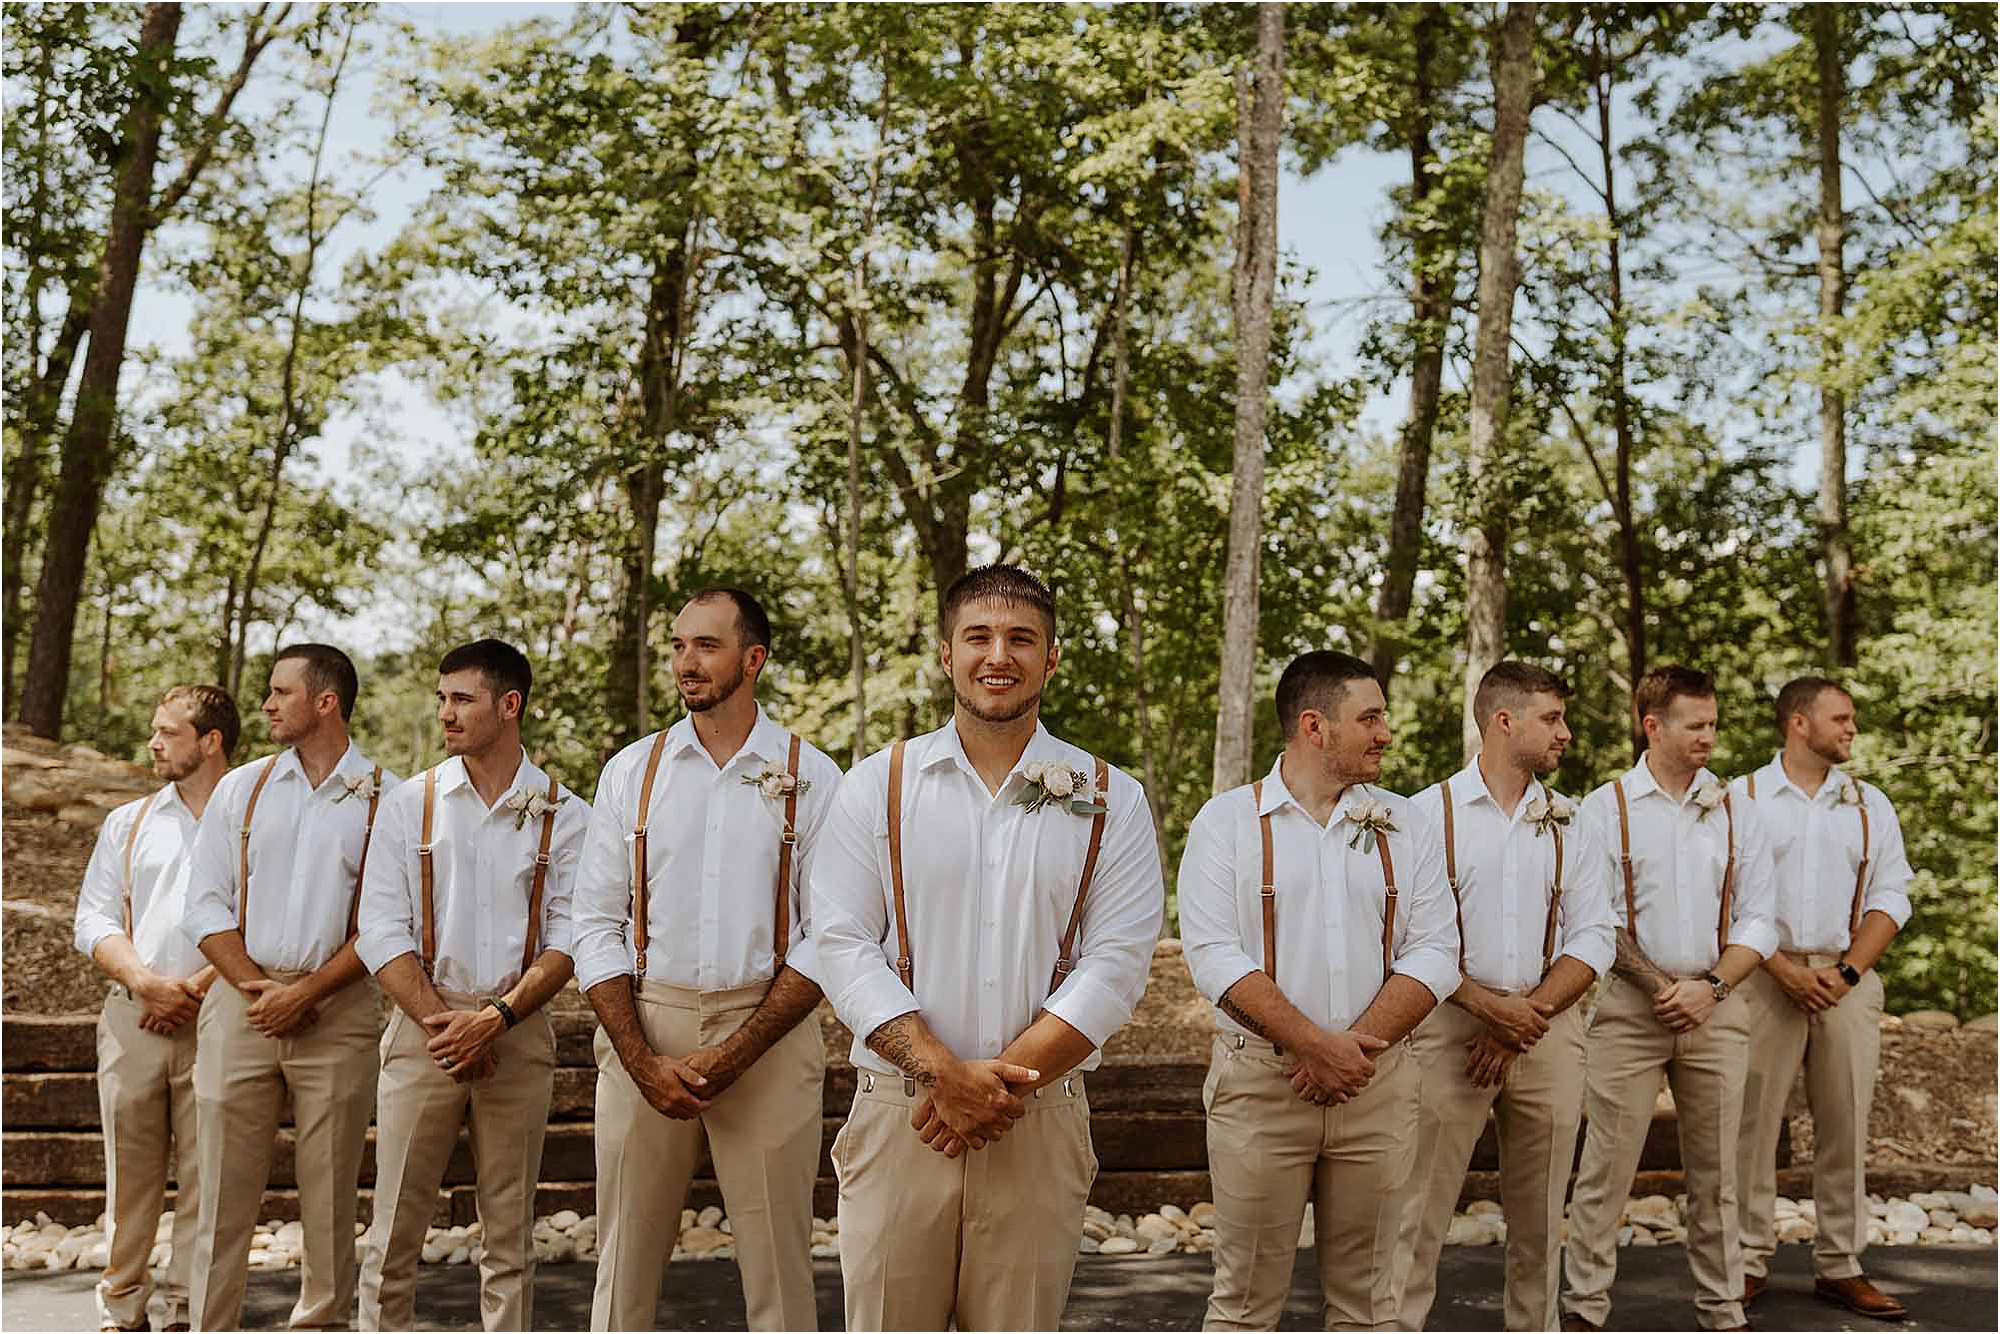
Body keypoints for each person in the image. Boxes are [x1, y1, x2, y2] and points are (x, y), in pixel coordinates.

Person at [812, 564, 1164, 1330]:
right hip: (901, 1118)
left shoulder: (1111, 798)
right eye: (978, 636)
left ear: (1051, 658)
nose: (997, 655)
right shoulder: (877, 786)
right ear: (946, 654)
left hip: (1038, 1124)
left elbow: (1117, 962)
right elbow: (840, 944)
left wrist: (995, 1091)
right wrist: (942, 1074)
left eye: (1021, 639)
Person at [572, 589, 843, 1331]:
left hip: (772, 1029)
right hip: (647, 1022)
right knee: (623, 1262)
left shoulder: (815, 776)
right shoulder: (633, 771)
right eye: (680, 646)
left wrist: (739, 1049)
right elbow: (593, 922)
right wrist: (636, 1054)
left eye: (707, 646)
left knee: (780, 1270)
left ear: (753, 659)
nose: (686, 663)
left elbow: (831, 933)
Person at [1178, 649, 1458, 1332]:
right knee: (1244, 1304)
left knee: (1370, 1305)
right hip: (1261, 1088)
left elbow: (1438, 948)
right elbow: (1213, 954)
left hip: (1379, 1085)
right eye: (1370, 718)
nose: (1386, 733)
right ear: (1315, 726)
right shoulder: (1225, 823)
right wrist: (1311, 1046)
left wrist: (1355, 1051)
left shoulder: (1407, 821)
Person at [355, 639, 589, 1330]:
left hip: (517, 1031)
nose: (445, 713)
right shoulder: (410, 803)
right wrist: (443, 1024)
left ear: (508, 704)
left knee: (510, 1232)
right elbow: (380, 928)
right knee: (393, 1227)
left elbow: (570, 935)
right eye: (441, 699)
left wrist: (496, 1019)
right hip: (421, 1030)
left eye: (461, 699)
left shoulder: (564, 812)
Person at [181, 644, 397, 1330]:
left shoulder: (389, 799)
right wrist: (255, 988)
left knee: (331, 1192)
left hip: (339, 1009)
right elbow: (204, 907)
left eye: (280, 692)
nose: (267, 705)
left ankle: (323, 1323)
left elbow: (392, 921)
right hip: (239, 1005)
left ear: (325, 701)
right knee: (218, 1190)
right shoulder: (240, 790)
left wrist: (306, 995)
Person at [1395, 663, 1616, 1331]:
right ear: (1503, 720)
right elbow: (1402, 936)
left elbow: (1595, 936)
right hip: (1444, 1032)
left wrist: (1526, 1017)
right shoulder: (1422, 816)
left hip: (1545, 1034)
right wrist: (1489, 1013)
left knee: (1542, 1220)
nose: (1567, 733)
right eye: (1552, 718)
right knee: (1417, 1210)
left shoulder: (1572, 821)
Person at [1560, 664, 1776, 1333]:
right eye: (1696, 724)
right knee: (1605, 1168)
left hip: (1718, 1005)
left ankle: (1721, 1309)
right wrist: (1662, 988)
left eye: (1714, 723)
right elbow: (1594, 918)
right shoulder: (1603, 808)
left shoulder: (1740, 809)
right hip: (1630, 1008)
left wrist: (1709, 989)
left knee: (1719, 1175)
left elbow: (1760, 920)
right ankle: (1583, 1310)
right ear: (1652, 725)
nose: (1710, 736)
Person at [1731, 676, 1912, 1319]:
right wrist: (1780, 968)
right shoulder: (1741, 798)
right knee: (1751, 1125)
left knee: (1846, 1123)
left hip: (1846, 980)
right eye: (1841, 718)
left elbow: (1892, 896)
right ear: (1798, 723)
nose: (1852, 729)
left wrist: (1848, 973)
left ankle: (1840, 1264)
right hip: (1759, 977)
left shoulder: (1870, 804)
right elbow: (1724, 898)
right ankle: (1746, 1260)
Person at [73, 685, 236, 1332]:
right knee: (130, 1182)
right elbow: (93, 918)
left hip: (219, 1018)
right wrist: (146, 981)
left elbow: (259, 920)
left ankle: (184, 1311)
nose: (153, 742)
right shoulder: (130, 821)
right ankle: (122, 1310)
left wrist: (196, 987)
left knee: (209, 1179)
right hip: (131, 1019)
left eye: (168, 731)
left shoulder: (250, 819)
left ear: (211, 741)